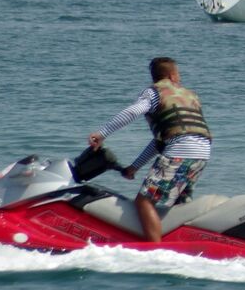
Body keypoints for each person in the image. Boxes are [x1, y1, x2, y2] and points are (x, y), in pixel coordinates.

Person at [88, 56, 212, 244]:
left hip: (181, 151)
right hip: (201, 153)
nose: (179, 77)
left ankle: (155, 250)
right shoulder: (190, 96)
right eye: (178, 74)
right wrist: (135, 167)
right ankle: (184, 244)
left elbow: (132, 111)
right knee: (180, 205)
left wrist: (103, 132)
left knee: (144, 201)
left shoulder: (154, 94)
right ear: (172, 75)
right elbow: (161, 141)